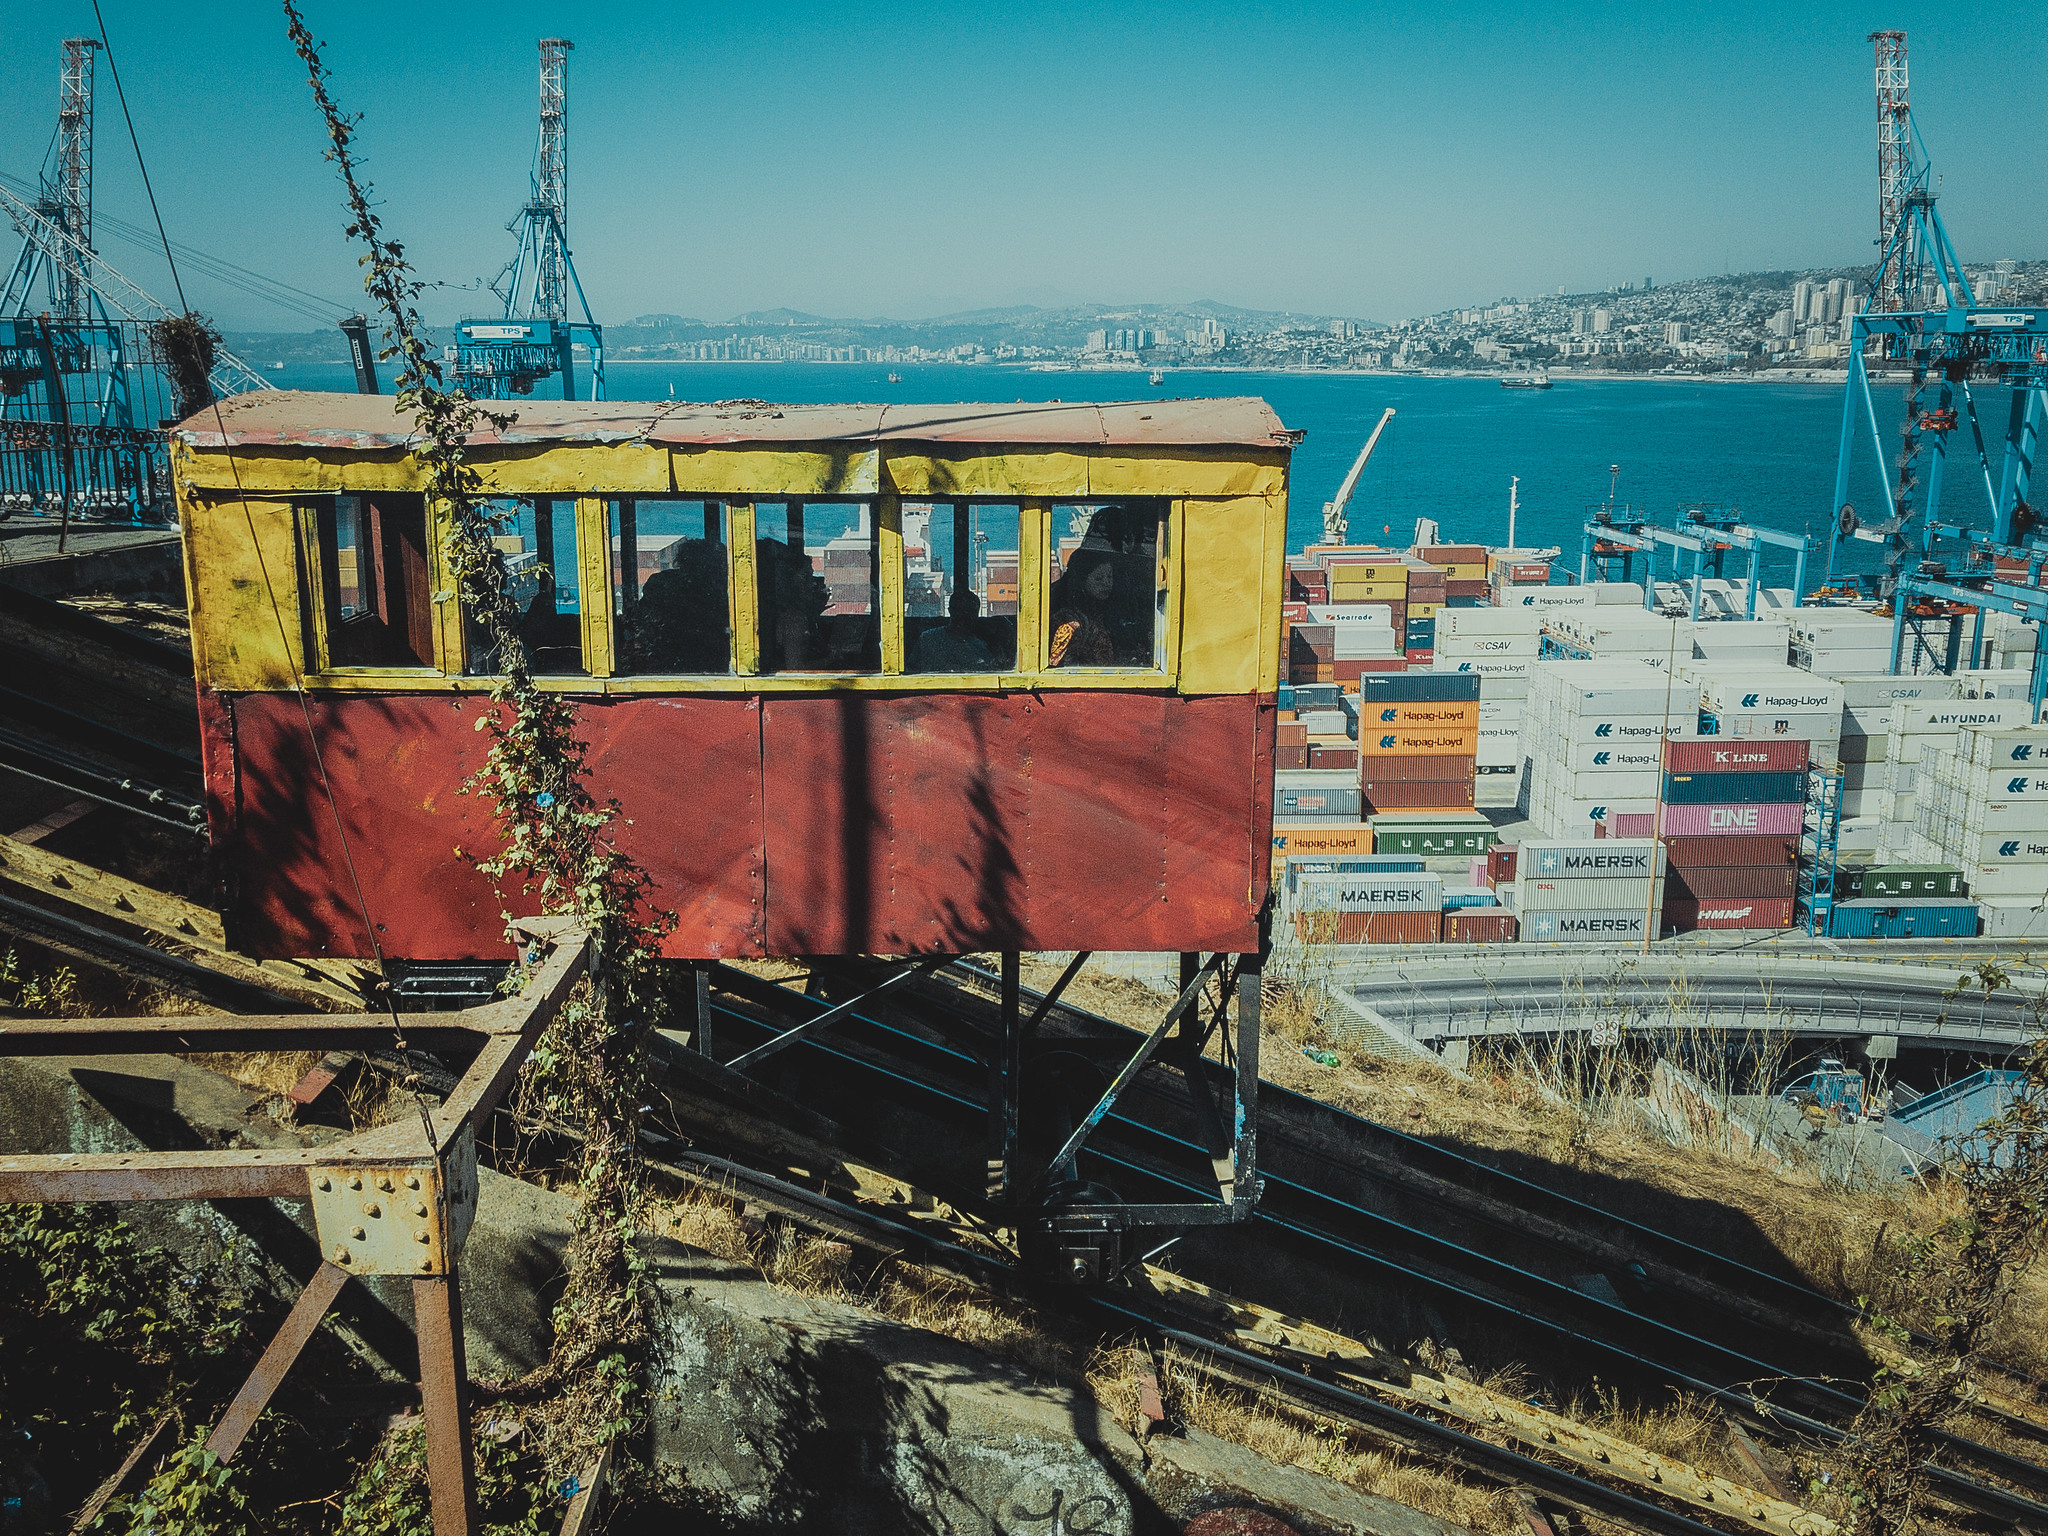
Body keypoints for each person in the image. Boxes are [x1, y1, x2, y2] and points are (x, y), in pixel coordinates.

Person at [1048, 546, 1118, 667]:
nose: (1107, 584)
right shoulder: (1070, 622)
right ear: (1081, 580)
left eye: (1109, 577)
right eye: (1099, 578)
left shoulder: (1103, 611)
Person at [911, 589, 997, 672]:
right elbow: (912, 669)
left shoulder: (981, 648)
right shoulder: (928, 640)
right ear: (951, 611)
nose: (965, 616)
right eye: (961, 611)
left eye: (970, 612)